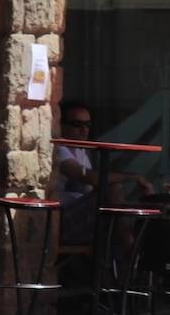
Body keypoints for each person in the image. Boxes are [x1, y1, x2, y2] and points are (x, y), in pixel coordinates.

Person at [54, 101, 152, 245]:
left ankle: (130, 250)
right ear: (62, 125)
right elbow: (90, 178)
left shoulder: (81, 151)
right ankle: (131, 250)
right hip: (61, 221)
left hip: (84, 219)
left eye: (87, 125)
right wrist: (133, 178)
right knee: (112, 191)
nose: (84, 130)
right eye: (77, 124)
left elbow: (93, 185)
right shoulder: (59, 149)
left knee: (114, 196)